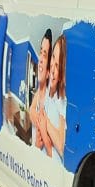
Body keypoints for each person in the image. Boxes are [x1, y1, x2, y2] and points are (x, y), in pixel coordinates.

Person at [41, 34, 67, 162]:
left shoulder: (63, 101)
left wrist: (45, 122)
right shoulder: (49, 92)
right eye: (53, 59)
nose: (52, 69)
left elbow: (61, 147)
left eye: (58, 66)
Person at [29, 29, 53, 153]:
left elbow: (50, 149)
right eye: (40, 52)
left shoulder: (51, 101)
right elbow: (31, 109)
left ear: (49, 72)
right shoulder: (40, 91)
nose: (40, 59)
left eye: (44, 54)